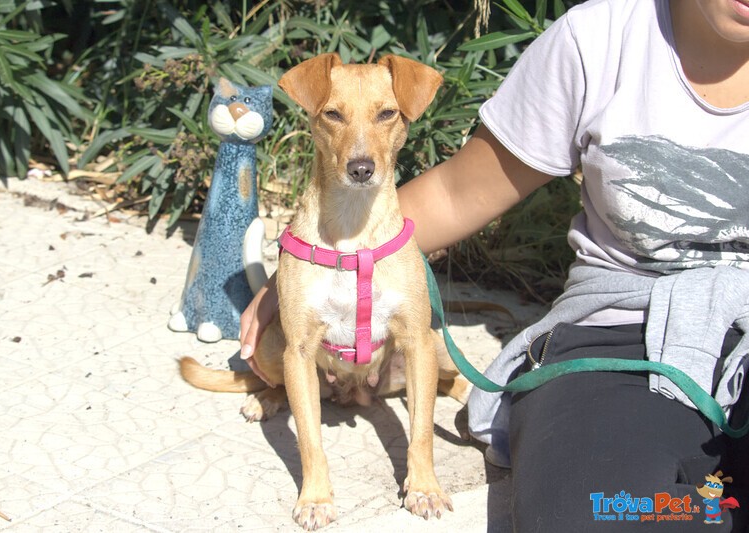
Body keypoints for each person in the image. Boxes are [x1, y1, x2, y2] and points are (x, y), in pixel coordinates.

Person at [240, 0, 749, 529]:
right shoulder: (599, 40)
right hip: (624, 321)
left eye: (384, 116)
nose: (361, 144)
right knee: (591, 515)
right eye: (337, 117)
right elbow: (460, 193)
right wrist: (312, 260)